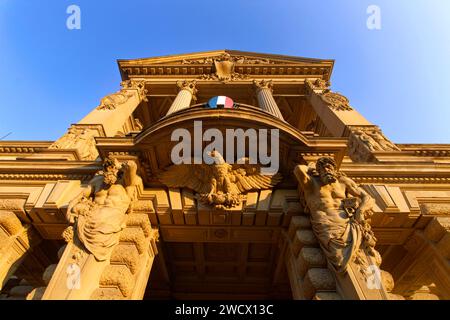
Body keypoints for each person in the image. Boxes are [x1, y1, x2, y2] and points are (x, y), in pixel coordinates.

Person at [294, 157, 380, 272]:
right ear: (318, 171)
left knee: (361, 257)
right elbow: (298, 169)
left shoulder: (343, 182)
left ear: (335, 170)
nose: (326, 170)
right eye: (322, 168)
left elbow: (368, 197)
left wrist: (360, 211)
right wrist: (312, 167)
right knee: (339, 258)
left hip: (348, 224)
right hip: (327, 225)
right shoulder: (311, 183)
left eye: (329, 167)